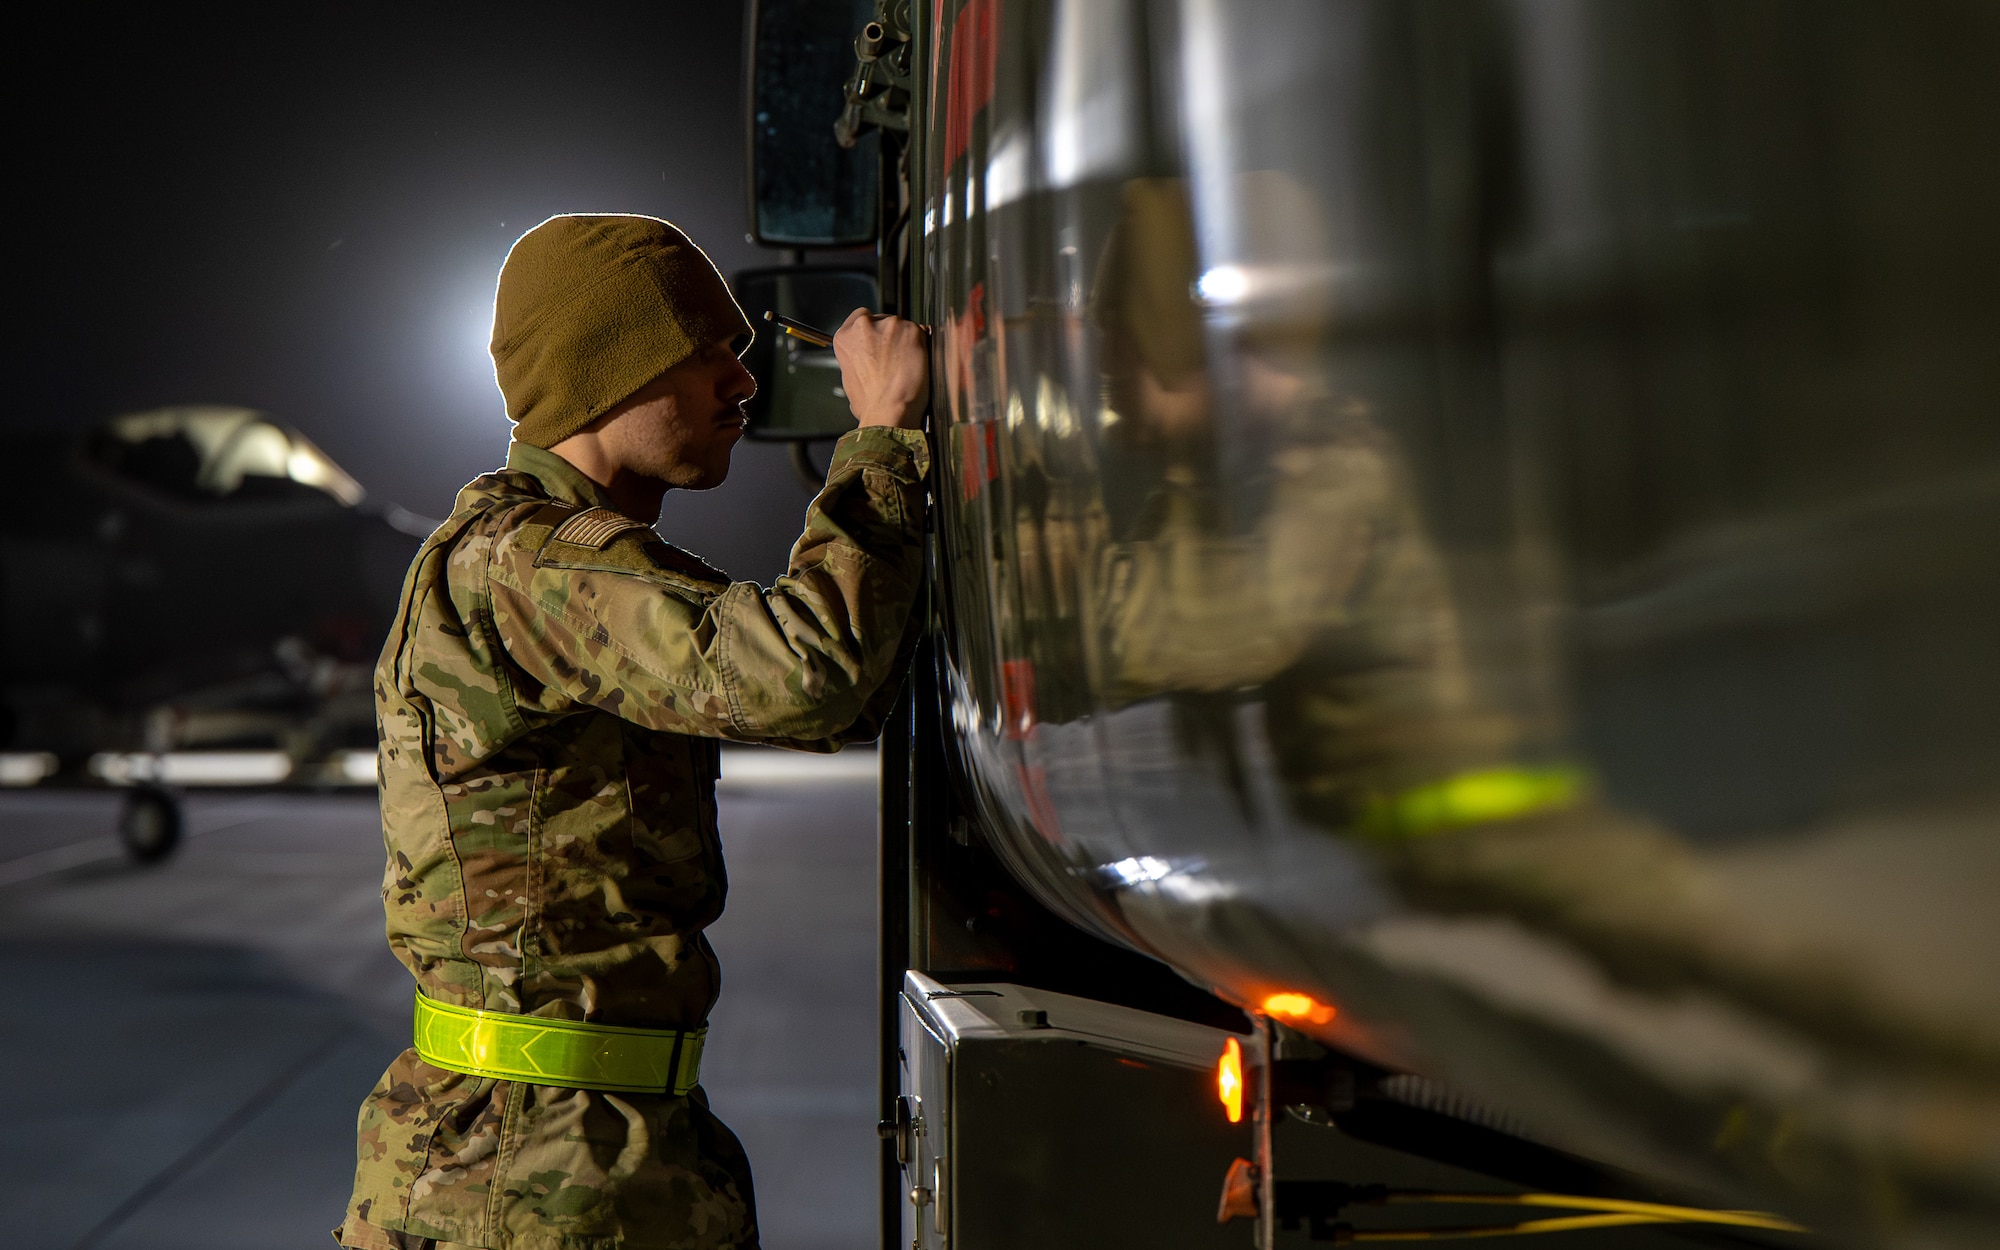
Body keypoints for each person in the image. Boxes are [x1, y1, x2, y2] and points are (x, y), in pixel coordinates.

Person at [335, 214, 930, 1250]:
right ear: (604, 372)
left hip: (589, 1142)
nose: (738, 384)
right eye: (703, 354)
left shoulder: (582, 562)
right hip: (528, 1174)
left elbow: (850, 688)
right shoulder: (530, 564)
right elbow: (808, 673)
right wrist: (879, 439)